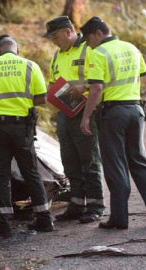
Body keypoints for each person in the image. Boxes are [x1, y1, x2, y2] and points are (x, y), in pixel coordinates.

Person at [79, 17, 146, 229]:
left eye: (89, 39)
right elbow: (144, 78)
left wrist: (86, 117)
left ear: (98, 33)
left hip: (113, 114)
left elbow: (97, 88)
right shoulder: (132, 48)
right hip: (136, 110)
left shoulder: (99, 53)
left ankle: (119, 218)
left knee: (115, 165)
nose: (88, 44)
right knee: (138, 161)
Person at [0, 34, 54, 238]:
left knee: (1, 174)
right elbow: (42, 98)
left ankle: (4, 223)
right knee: (31, 172)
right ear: (16, 50)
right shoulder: (30, 66)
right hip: (22, 128)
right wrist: (21, 101)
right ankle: (44, 219)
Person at [44, 16, 105, 224]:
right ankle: (77, 204)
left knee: (89, 160)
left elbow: (100, 79)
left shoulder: (89, 49)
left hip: (86, 112)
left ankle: (96, 205)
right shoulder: (57, 56)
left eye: (55, 36)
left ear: (67, 31)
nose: (53, 41)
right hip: (64, 114)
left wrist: (85, 87)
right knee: (69, 161)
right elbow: (53, 82)